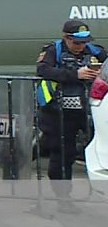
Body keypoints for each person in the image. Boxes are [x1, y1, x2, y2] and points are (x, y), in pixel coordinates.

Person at [35, 19, 104, 213]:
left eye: (84, 42)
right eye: (76, 42)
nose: (81, 47)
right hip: (59, 113)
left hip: (89, 111)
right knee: (62, 156)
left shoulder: (95, 51)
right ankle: (63, 199)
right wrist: (76, 74)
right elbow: (43, 70)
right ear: (66, 38)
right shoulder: (52, 50)